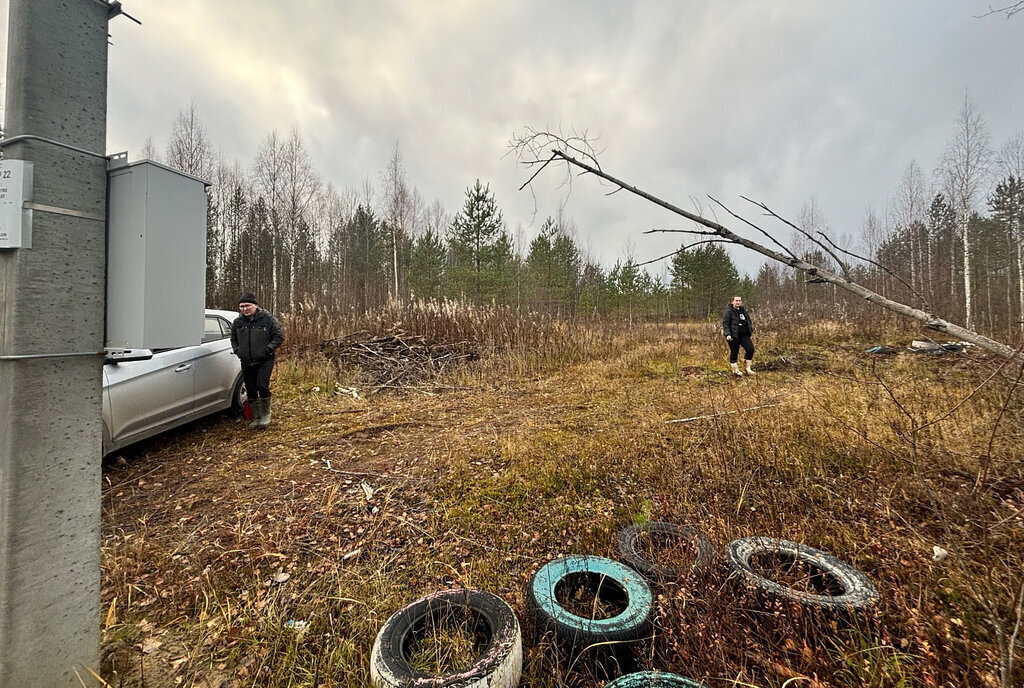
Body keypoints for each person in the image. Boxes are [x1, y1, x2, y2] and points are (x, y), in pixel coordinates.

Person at [230, 293, 285, 428]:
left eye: (247, 305)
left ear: (255, 305)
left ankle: (266, 415)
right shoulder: (238, 322)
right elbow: (233, 339)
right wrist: (238, 351)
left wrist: (267, 350)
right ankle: (257, 417)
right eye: (241, 306)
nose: (244, 309)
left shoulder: (267, 319)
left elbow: (279, 336)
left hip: (264, 360)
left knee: (262, 385)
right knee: (250, 389)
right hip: (246, 360)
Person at [722, 295, 755, 377]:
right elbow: (726, 324)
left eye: (739, 300)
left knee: (750, 349)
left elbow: (748, 321)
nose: (738, 302)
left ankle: (748, 368)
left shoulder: (743, 310)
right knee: (734, 352)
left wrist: (750, 329)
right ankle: (735, 370)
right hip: (733, 336)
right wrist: (728, 334)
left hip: (744, 335)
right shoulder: (728, 311)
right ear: (732, 302)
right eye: (736, 300)